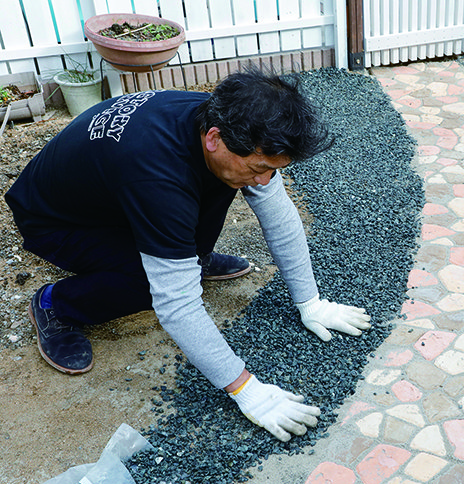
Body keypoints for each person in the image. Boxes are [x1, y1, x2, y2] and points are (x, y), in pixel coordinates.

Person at [4, 67, 371, 442]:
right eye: (260, 168)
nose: (265, 179)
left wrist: (310, 302)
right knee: (149, 283)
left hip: (112, 195)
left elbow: (278, 215)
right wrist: (247, 390)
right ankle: (56, 305)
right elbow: (175, 303)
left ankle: (189, 259)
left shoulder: (227, 119)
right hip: (57, 219)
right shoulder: (158, 174)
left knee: (222, 181)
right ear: (214, 138)